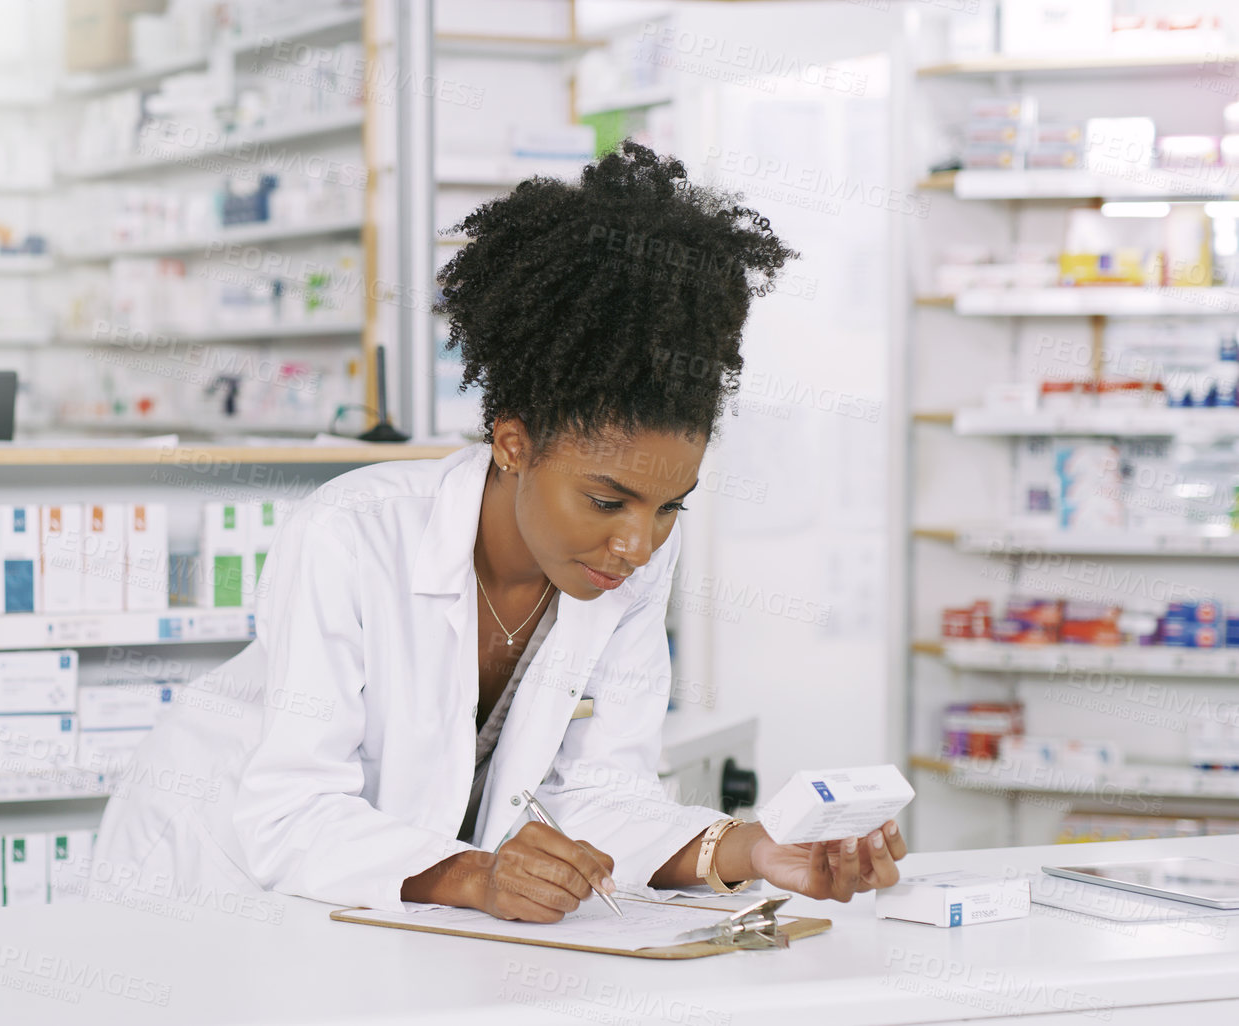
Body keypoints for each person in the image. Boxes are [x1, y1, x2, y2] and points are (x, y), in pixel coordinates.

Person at [93, 142, 907, 921]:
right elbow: (288, 812)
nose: (637, 543)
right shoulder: (353, 533)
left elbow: (603, 795)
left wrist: (752, 849)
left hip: (390, 910)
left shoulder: (626, 564)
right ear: (513, 443)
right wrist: (478, 876)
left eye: (669, 507)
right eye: (605, 500)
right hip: (208, 872)